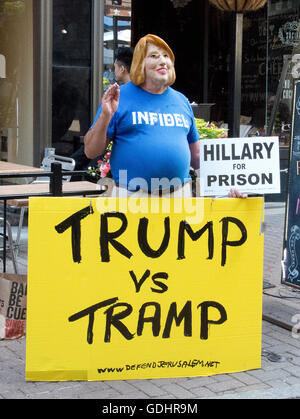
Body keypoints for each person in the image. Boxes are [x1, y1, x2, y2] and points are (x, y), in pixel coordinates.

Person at [84, 34, 245, 198]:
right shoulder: (119, 97)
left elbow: (196, 156)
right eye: (154, 56)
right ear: (140, 62)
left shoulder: (181, 101)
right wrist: (105, 116)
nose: (163, 61)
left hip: (179, 197)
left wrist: (226, 187)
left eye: (166, 56)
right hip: (132, 198)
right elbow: (91, 151)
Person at [71, 46, 134, 172]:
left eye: (115, 67)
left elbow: (91, 148)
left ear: (122, 69)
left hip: (116, 172)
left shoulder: (115, 97)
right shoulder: (151, 96)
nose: (113, 70)